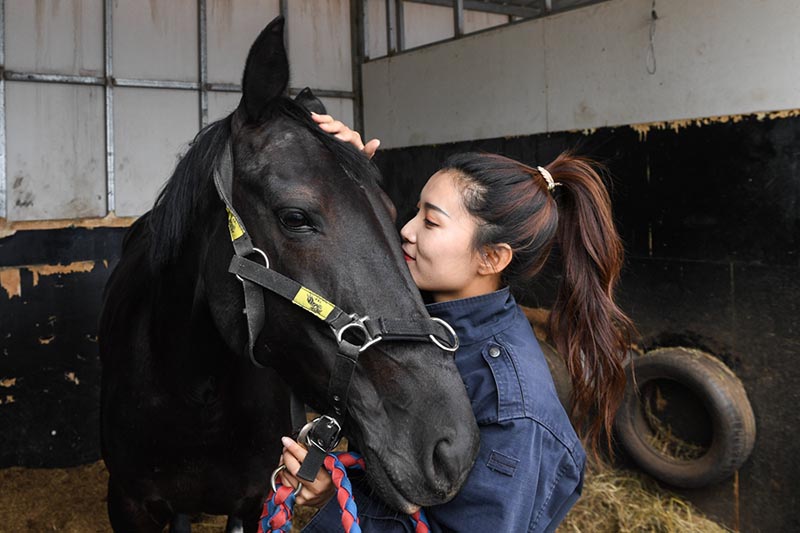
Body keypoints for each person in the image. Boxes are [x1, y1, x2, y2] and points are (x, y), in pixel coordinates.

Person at [274, 113, 635, 532]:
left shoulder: (513, 411)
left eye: (430, 221)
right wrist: (344, 177)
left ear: (491, 257)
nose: (405, 231)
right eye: (415, 212)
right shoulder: (417, 327)